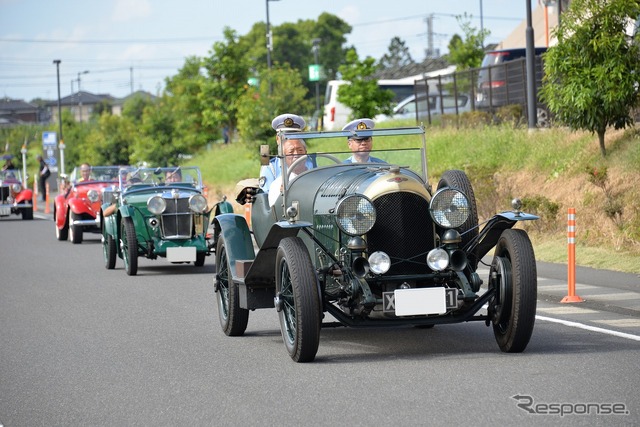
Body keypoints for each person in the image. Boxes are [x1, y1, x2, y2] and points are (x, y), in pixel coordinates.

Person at [259, 113, 312, 193]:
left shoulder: (310, 162)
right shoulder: (271, 167)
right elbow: (266, 195)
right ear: (277, 139)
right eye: (285, 137)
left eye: (294, 136)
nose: (290, 140)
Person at [268, 138, 308, 206]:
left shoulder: (317, 177)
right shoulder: (277, 185)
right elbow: (276, 212)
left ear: (306, 153)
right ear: (283, 157)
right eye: (290, 152)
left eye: (300, 150)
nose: (296, 154)